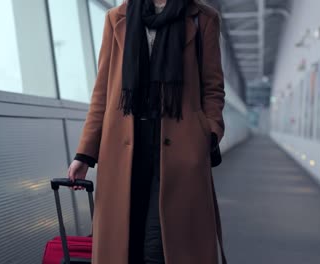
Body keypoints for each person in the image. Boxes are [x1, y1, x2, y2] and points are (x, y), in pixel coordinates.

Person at [68, 0, 226, 263]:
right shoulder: (116, 17)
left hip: (180, 151)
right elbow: (103, 91)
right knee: (126, 244)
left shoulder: (203, 19)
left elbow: (213, 88)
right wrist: (84, 154)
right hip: (123, 149)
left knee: (159, 247)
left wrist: (207, 133)